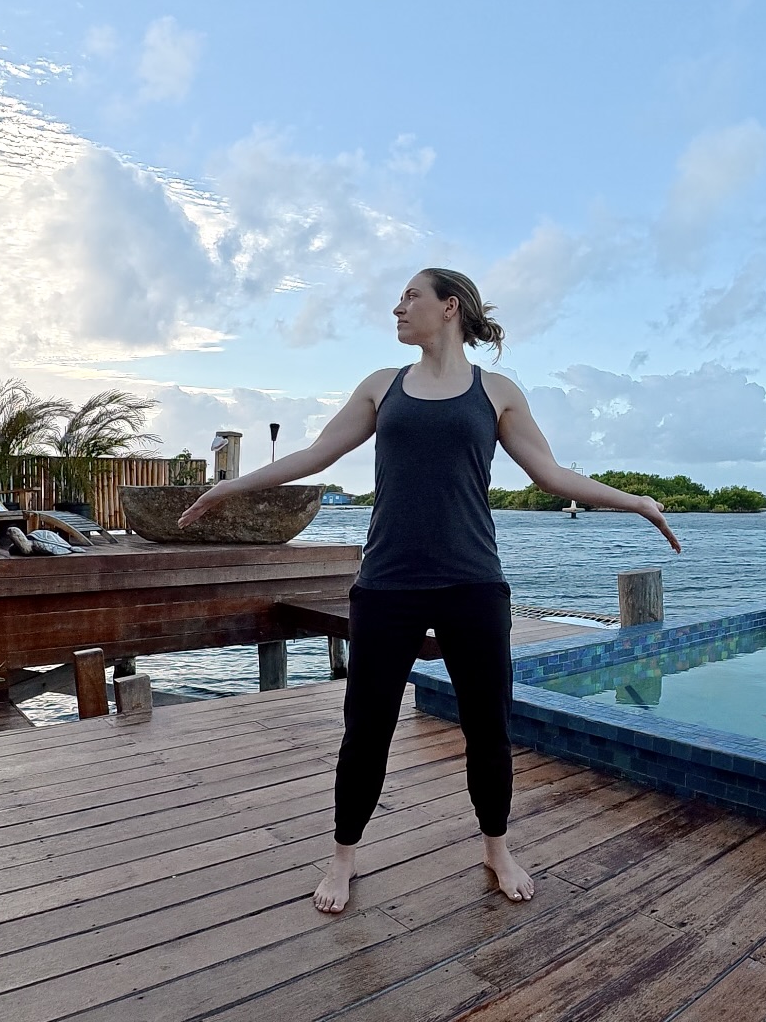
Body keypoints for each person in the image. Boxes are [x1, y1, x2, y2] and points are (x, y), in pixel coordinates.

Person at [177, 268, 681, 913]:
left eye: (410, 296)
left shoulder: (496, 393)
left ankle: (496, 847)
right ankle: (343, 857)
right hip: (388, 584)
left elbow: (552, 475)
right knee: (366, 730)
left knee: (488, 728)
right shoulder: (381, 388)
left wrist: (635, 500)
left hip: (473, 583)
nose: (397, 307)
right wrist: (229, 487)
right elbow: (315, 455)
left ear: (449, 308)